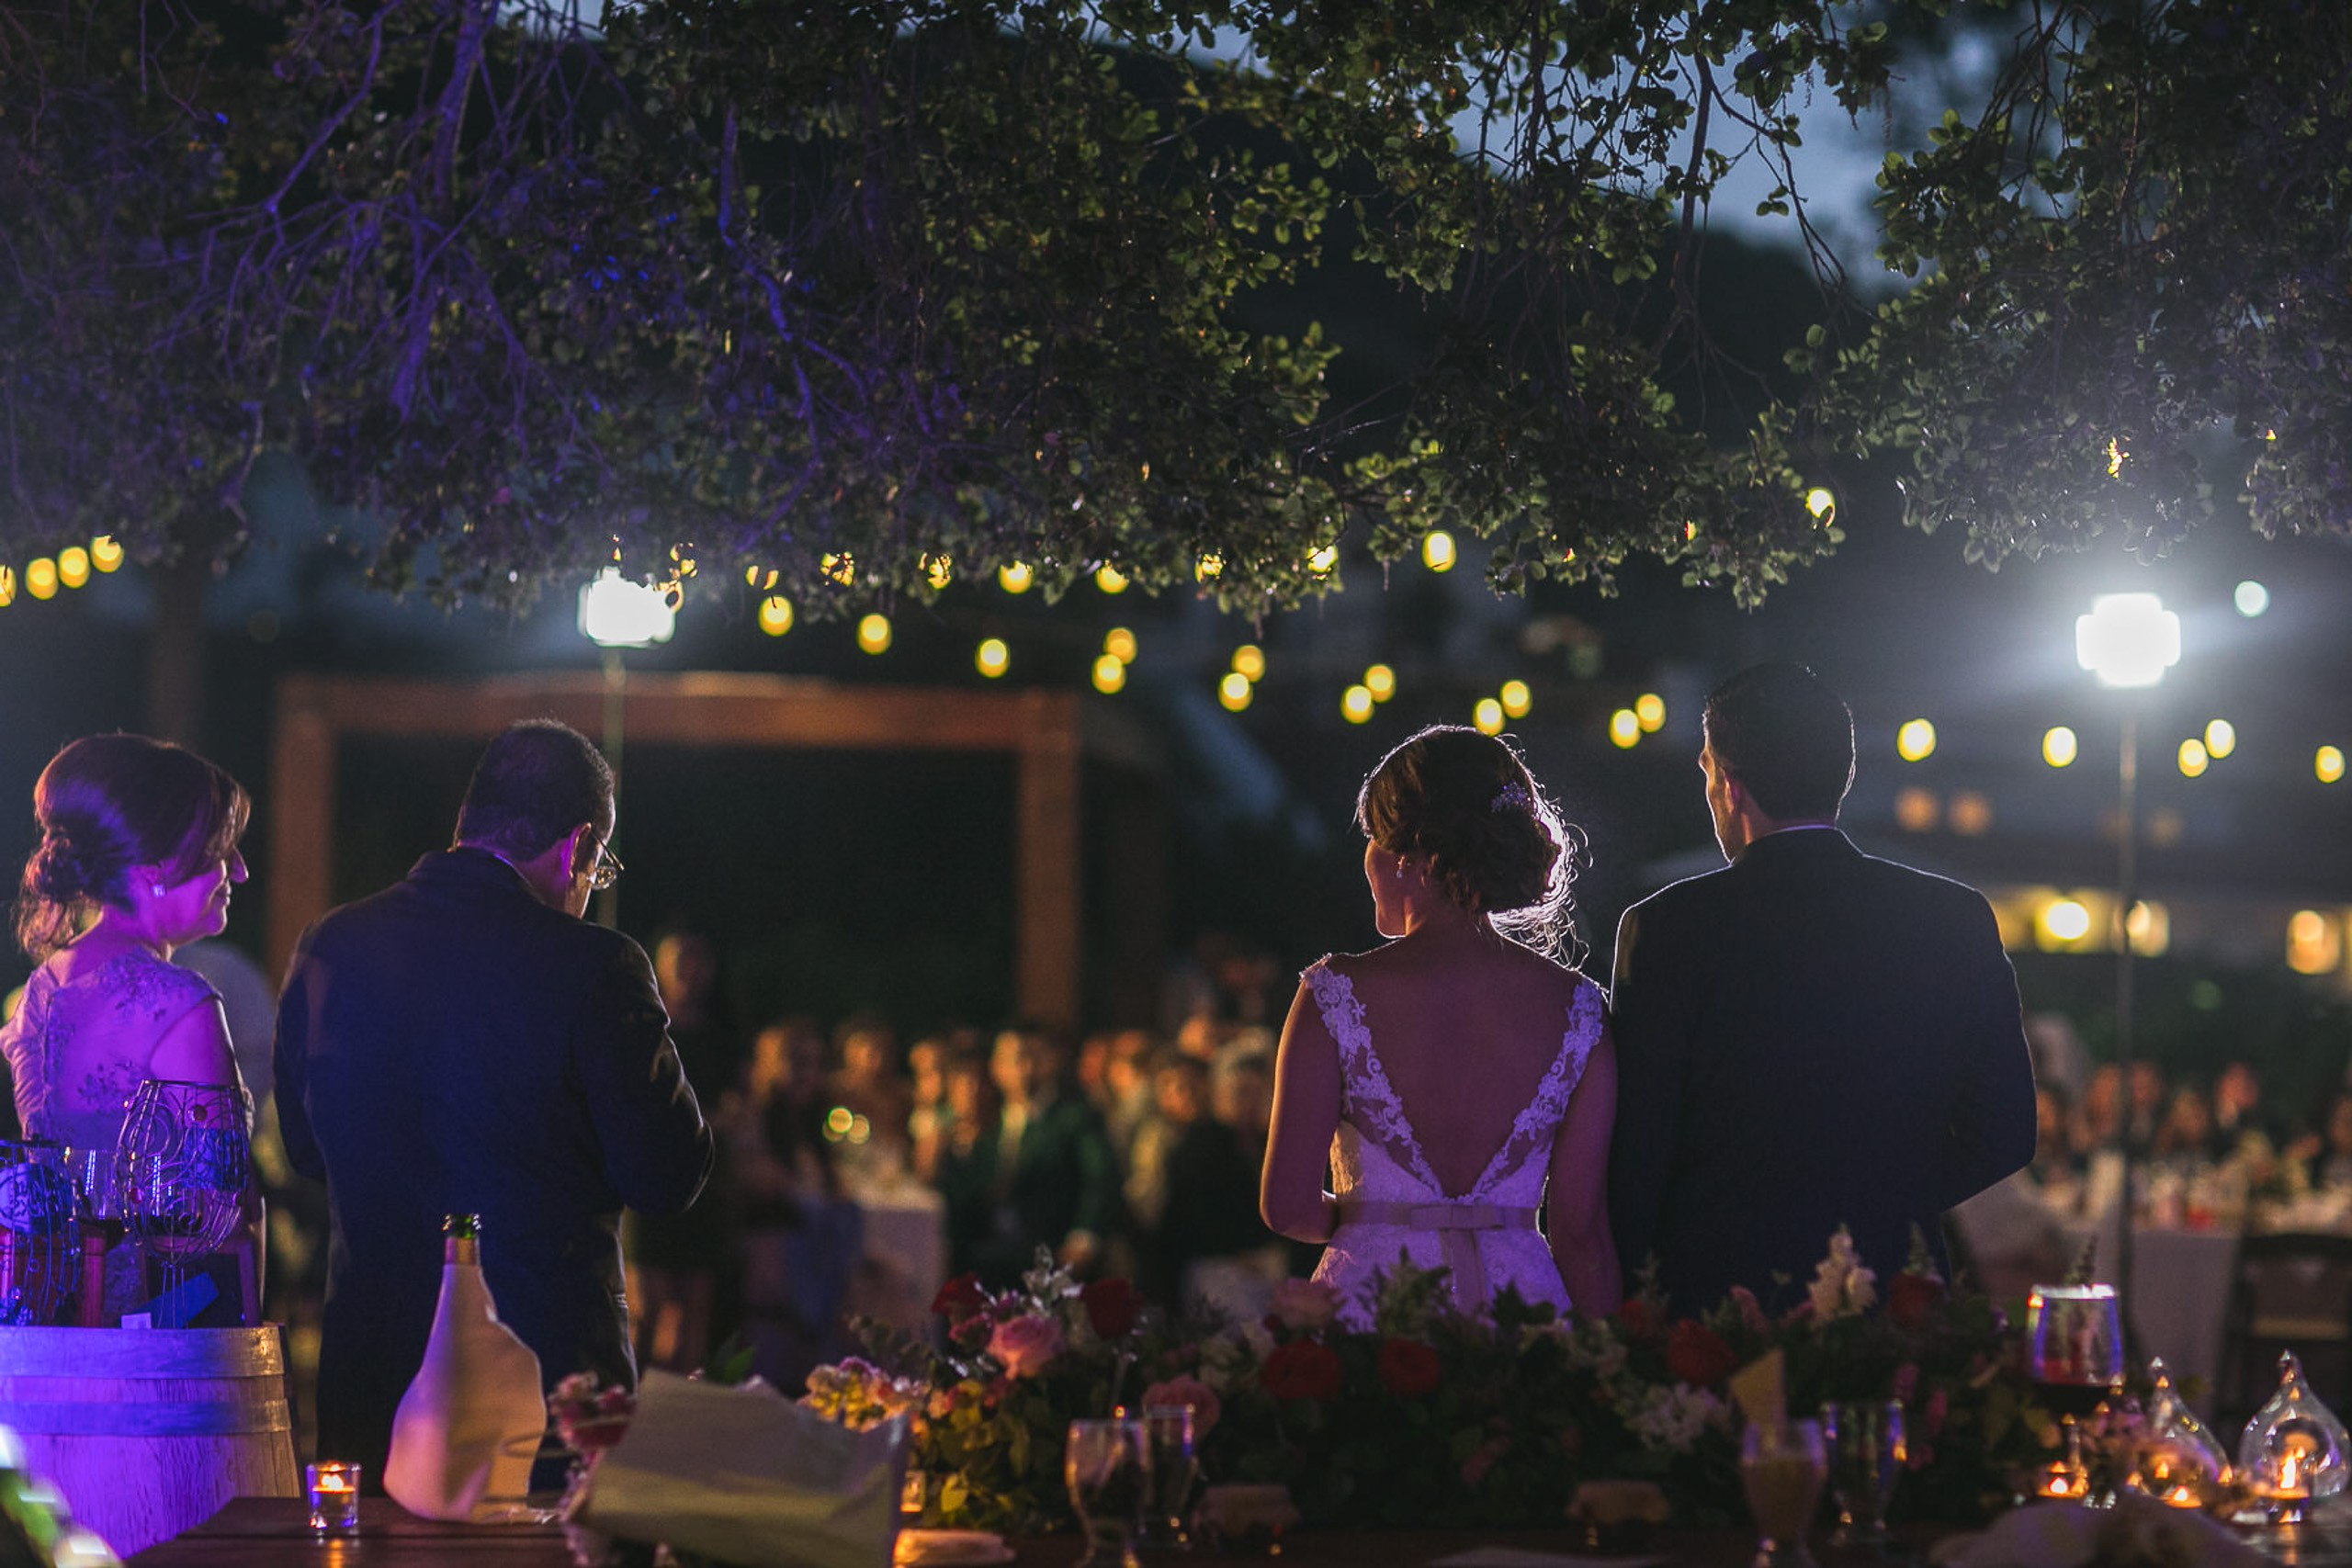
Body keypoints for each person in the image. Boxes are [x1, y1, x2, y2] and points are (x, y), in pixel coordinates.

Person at [274, 719, 713, 1488]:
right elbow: (666, 1174)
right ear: (577, 847)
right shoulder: (597, 965)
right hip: (546, 1398)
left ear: (468, 823)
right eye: (596, 868)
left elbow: (307, 1151)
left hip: (373, 1385)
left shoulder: (331, 944)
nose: (587, 888)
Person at [1608, 663, 2036, 1314]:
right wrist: (1887, 1191)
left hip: (1719, 1300)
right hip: (1893, 1290)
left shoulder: (1667, 929)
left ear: (1728, 784)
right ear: (1846, 774)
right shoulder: (1952, 917)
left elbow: (1637, 1152)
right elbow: (2006, 1129)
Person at [1261, 726, 1619, 1325]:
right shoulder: (1580, 1008)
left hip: (1373, 1312)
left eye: (1372, 837)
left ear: (1412, 856)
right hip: (1522, 1317)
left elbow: (1286, 1205)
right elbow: (1581, 1234)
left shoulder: (1332, 994)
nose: (1366, 856)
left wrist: (1375, 1218)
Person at [0, 734, 254, 1321]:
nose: (237, 871)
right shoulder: (178, 1004)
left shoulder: (40, 992)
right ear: (160, 865)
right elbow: (218, 1222)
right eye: (221, 850)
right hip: (158, 1338)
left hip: (51, 1325)